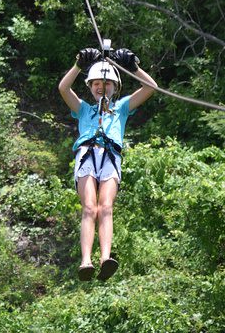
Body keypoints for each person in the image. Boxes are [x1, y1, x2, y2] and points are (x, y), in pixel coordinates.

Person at [58, 47, 157, 281]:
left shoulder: (121, 108)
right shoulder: (83, 109)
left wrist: (133, 67)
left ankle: (105, 258)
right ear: (91, 87)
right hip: (88, 154)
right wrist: (78, 65)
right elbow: (63, 88)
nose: (102, 88)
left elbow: (151, 87)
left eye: (107, 84)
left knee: (106, 208)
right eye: (96, 85)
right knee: (90, 208)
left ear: (115, 87)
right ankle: (86, 261)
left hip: (111, 156)